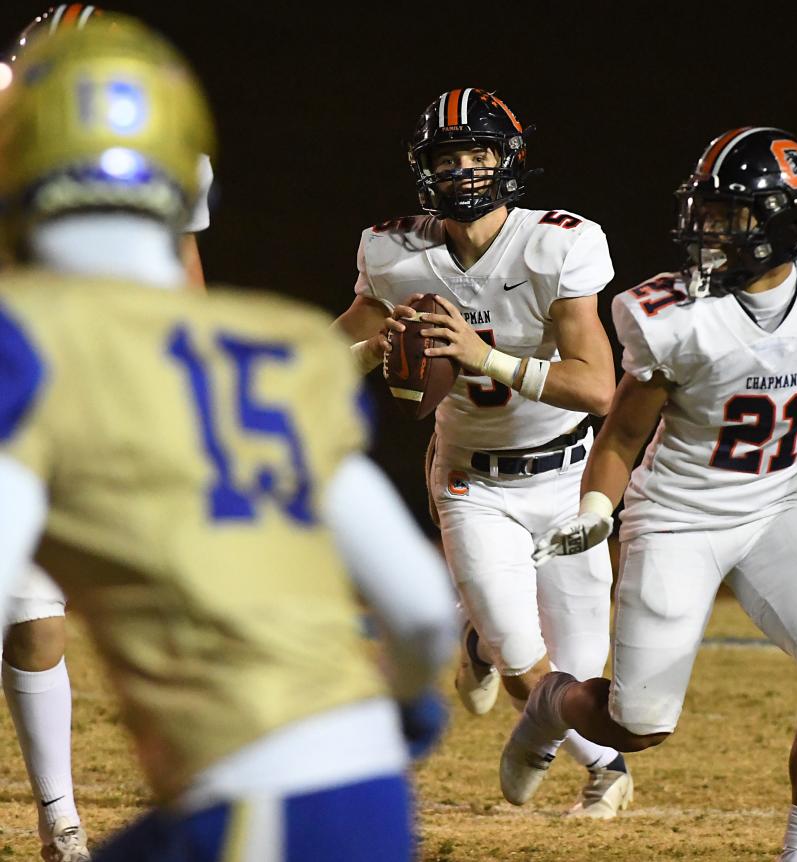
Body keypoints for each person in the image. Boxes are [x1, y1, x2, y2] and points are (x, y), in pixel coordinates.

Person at [0, 15, 457, 860]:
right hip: (366, 790)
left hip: (255, 796)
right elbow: (424, 607)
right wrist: (400, 706)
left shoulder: (32, 338)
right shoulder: (274, 343)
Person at [505, 126, 797, 860]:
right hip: (678, 520)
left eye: (729, 217)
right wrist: (595, 509)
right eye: (705, 213)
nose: (708, 233)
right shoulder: (673, 316)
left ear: (783, 221)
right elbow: (618, 437)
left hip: (779, 511)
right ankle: (555, 702)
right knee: (637, 726)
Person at [334, 87, 634, 818]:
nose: (464, 170)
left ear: (509, 159)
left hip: (567, 474)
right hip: (473, 480)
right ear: (423, 167)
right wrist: (369, 349)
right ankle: (608, 767)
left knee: (581, 671)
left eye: (479, 154)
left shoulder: (556, 243)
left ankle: (479, 644)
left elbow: (599, 388)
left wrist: (483, 357)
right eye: (449, 157)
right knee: (529, 669)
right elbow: (316, 364)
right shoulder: (394, 251)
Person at [0, 7, 214, 860]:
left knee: (77, 613)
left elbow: (185, 279)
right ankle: (62, 815)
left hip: (103, 403)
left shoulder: (166, 146)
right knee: (33, 611)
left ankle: (79, 813)